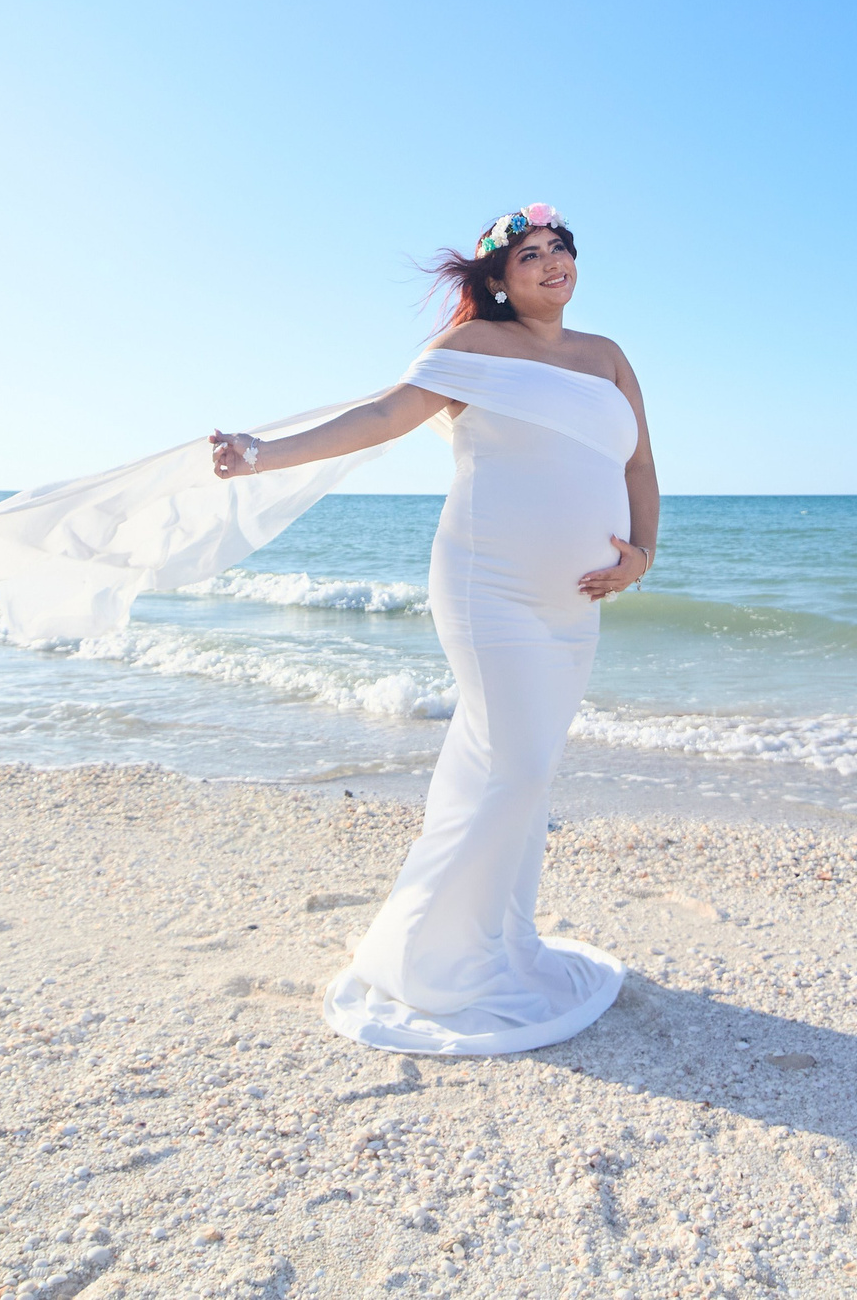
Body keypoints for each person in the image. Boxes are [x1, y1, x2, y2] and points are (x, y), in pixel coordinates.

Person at [208, 204, 659, 1054]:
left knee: (520, 768)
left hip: (577, 604)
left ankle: (495, 938)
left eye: (562, 249)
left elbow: (638, 464)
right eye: (532, 254)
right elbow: (379, 417)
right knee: (516, 769)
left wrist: (642, 554)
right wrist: (261, 451)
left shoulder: (608, 358)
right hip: (489, 588)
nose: (553, 262)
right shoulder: (469, 352)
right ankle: (424, 957)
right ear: (498, 278)